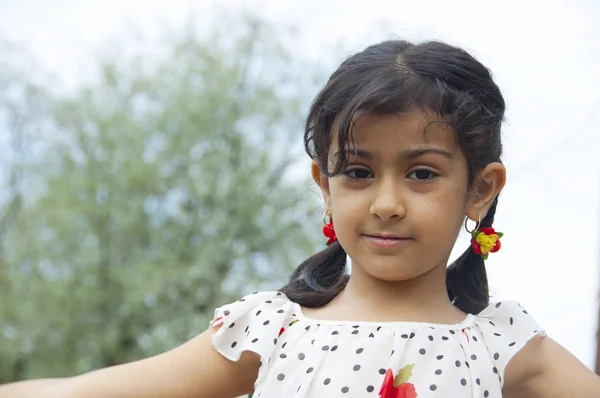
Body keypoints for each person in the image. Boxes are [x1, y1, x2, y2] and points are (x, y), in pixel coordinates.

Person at [1, 39, 599, 398]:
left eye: (421, 174)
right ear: (325, 187)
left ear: (479, 189)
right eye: (359, 172)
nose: (386, 201)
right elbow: (80, 393)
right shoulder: (270, 328)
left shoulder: (503, 343)